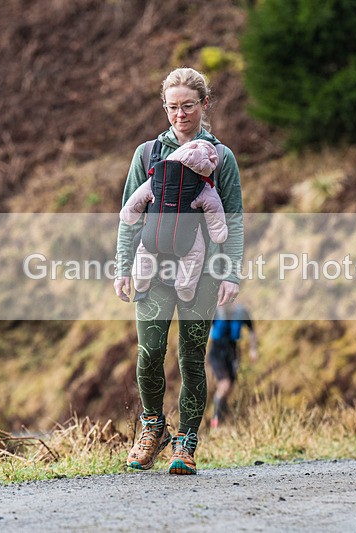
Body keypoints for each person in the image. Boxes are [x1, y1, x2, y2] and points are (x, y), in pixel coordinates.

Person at [114, 67, 244, 475]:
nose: (180, 114)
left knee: (191, 357)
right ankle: (153, 428)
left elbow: (233, 220)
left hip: (202, 273)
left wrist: (229, 273)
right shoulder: (146, 153)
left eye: (188, 106)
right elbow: (129, 216)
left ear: (205, 104)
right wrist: (122, 267)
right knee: (149, 353)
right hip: (151, 271)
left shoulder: (221, 157)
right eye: (172, 107)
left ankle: (186, 443)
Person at [207, 302, 258, 428]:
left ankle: (223, 419)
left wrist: (253, 349)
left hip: (233, 351)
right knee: (225, 383)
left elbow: (252, 330)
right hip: (217, 351)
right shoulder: (215, 311)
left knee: (229, 387)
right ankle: (216, 419)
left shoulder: (242, 312)